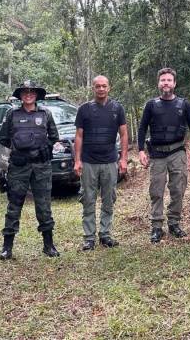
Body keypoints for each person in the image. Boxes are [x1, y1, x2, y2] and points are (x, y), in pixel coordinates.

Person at [0, 80, 60, 259]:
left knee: (44, 206)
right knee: (14, 206)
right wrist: (12, 156)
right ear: (20, 95)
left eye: (32, 92)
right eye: (25, 92)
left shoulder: (45, 114)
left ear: (36, 95)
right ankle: (7, 247)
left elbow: (54, 137)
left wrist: (44, 149)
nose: (28, 94)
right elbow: (3, 140)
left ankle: (48, 245)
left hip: (41, 167)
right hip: (19, 167)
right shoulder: (12, 114)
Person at [138, 68, 190, 243]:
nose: (166, 83)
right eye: (163, 80)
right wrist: (141, 151)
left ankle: (174, 223)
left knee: (178, 189)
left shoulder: (184, 104)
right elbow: (142, 128)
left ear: (174, 83)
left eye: (169, 80)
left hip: (177, 152)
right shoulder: (151, 105)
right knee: (156, 191)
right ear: (158, 83)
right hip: (157, 154)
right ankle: (156, 226)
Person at [74, 75, 128, 251]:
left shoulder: (117, 108)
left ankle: (105, 234)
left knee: (108, 199)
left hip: (110, 161)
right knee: (88, 199)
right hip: (89, 162)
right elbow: (79, 136)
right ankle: (89, 238)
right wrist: (77, 160)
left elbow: (124, 134)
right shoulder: (84, 110)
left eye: (104, 86)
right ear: (93, 88)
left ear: (109, 88)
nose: (101, 89)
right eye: (98, 86)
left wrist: (124, 158)